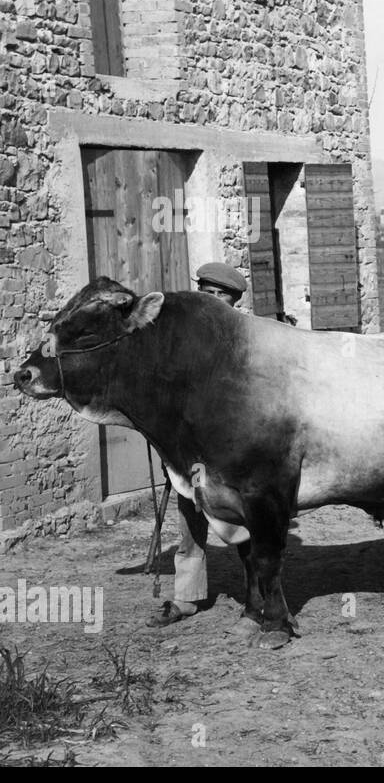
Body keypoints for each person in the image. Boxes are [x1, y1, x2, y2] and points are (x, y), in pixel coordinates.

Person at [147, 262, 248, 626]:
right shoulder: (179, 343)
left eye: (223, 296)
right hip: (192, 451)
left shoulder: (246, 342)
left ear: (234, 302)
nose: (215, 301)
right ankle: (186, 598)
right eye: (208, 293)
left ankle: (260, 593)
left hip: (234, 451)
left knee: (245, 520)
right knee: (189, 520)